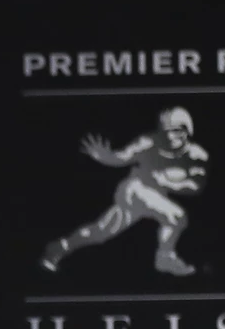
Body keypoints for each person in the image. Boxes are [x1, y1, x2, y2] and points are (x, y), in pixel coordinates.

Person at [39, 107, 206, 277]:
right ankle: (165, 257)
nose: (170, 136)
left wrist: (167, 182)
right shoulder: (148, 142)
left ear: (187, 130)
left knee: (100, 232)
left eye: (176, 131)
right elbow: (122, 157)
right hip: (135, 189)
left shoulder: (197, 155)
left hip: (154, 196)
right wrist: (105, 156)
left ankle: (61, 246)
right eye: (166, 131)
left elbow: (195, 186)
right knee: (176, 216)